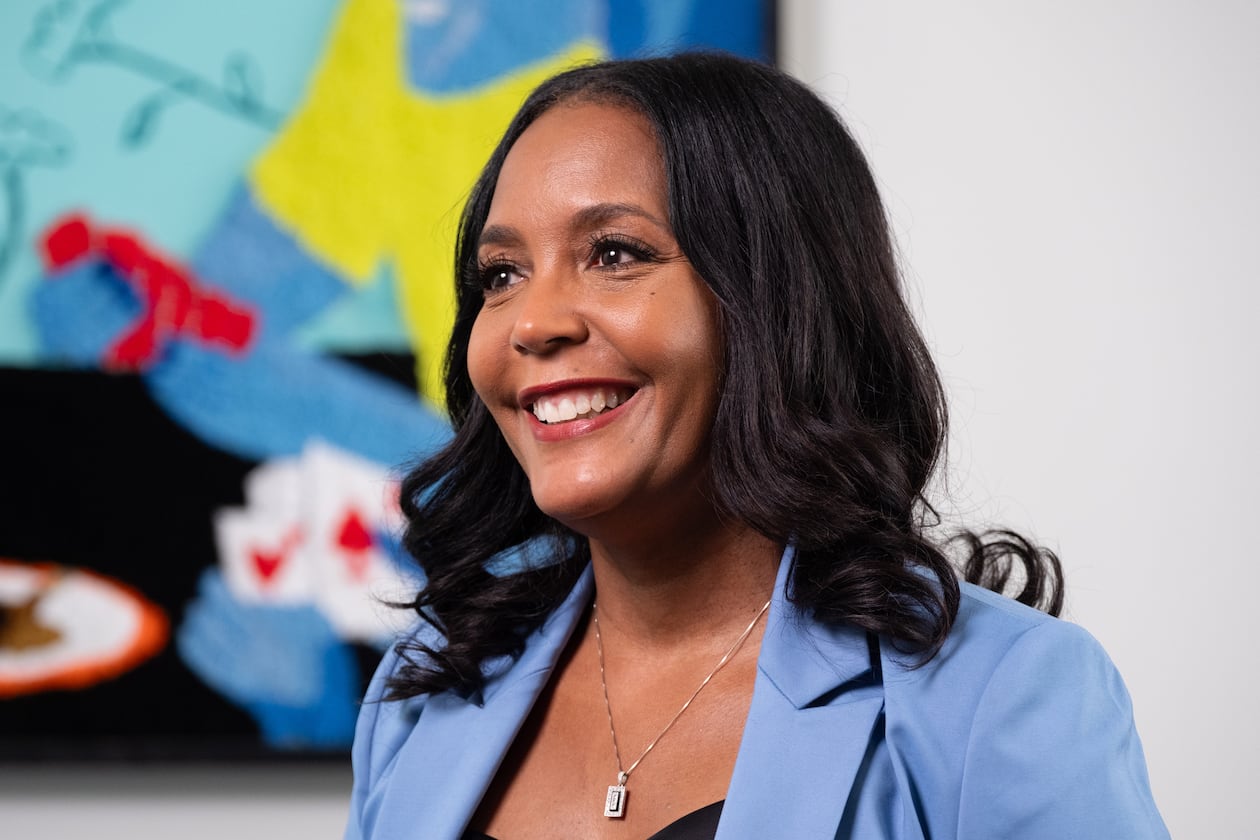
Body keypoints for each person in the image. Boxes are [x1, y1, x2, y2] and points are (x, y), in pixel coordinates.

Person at [345, 52, 1168, 839]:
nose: (533, 322)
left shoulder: (997, 694)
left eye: (615, 253)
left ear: (775, 300)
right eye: (501, 273)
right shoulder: (423, 690)